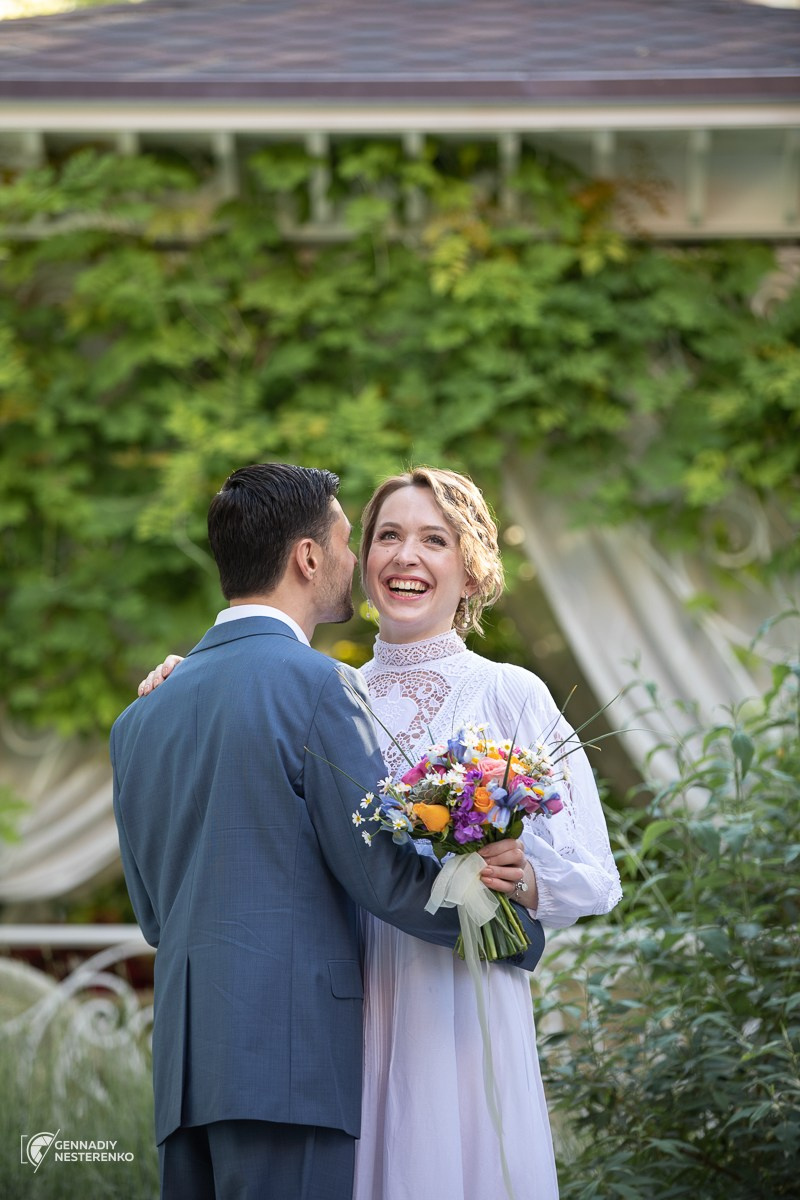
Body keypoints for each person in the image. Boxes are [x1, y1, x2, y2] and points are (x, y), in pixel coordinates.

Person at [113, 463, 544, 1200]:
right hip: (290, 1065)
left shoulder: (141, 715)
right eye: (349, 542)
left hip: (187, 1071)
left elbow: (154, 916)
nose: (356, 562)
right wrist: (511, 931)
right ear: (308, 558)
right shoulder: (319, 686)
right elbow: (379, 875)